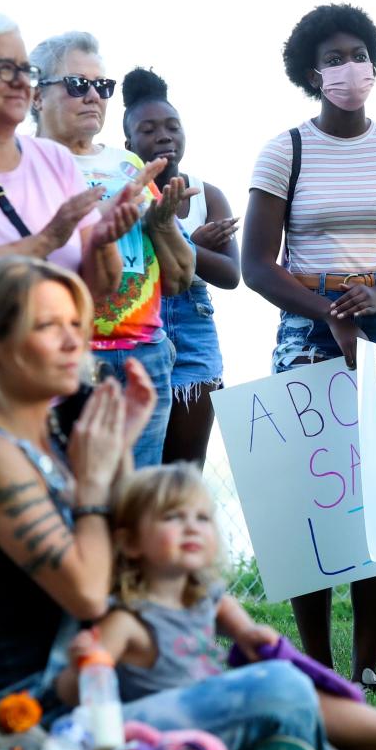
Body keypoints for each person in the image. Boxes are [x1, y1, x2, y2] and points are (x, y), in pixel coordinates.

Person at [0, 256, 333, 750]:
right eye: (47, 326)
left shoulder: (55, 440)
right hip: (38, 712)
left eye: (75, 325)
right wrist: (97, 485)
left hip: (102, 684)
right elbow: (86, 590)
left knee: (281, 684)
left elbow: (124, 552)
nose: (71, 341)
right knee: (280, 688)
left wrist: (120, 448)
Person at [242, 3, 376, 693]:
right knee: (313, 500)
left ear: (375, 64)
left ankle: (366, 663)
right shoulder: (286, 150)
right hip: (306, 325)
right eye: (333, 59)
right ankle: (317, 665)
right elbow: (257, 266)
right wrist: (328, 310)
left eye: (358, 54)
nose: (348, 68)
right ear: (310, 73)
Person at [55, 463, 376, 750]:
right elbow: (77, 690)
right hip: (164, 729)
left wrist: (256, 638)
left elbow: (249, 633)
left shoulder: (206, 601)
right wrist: (83, 664)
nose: (192, 526)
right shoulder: (128, 621)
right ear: (130, 544)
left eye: (202, 517)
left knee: (296, 701)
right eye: (173, 517)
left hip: (224, 722)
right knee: (282, 686)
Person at [0, 11, 143, 425]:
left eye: (24, 69)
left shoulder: (54, 159)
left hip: (60, 402)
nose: (19, 81)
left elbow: (99, 288)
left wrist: (104, 239)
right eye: (2, 68)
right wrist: (46, 240)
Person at [31, 32, 196, 467]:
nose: (93, 97)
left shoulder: (130, 166)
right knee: (71, 501)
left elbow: (179, 278)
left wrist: (162, 224)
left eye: (102, 86)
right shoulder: (22, 164)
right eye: (76, 84)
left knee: (134, 504)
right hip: (65, 355)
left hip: (145, 355)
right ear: (35, 96)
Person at [122, 67, 240, 467]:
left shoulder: (208, 195)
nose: (163, 136)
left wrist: (183, 242)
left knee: (185, 474)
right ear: (128, 142)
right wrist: (193, 244)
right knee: (140, 474)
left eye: (173, 126)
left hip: (193, 333)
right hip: (137, 330)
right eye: (149, 129)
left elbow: (230, 275)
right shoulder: (121, 193)